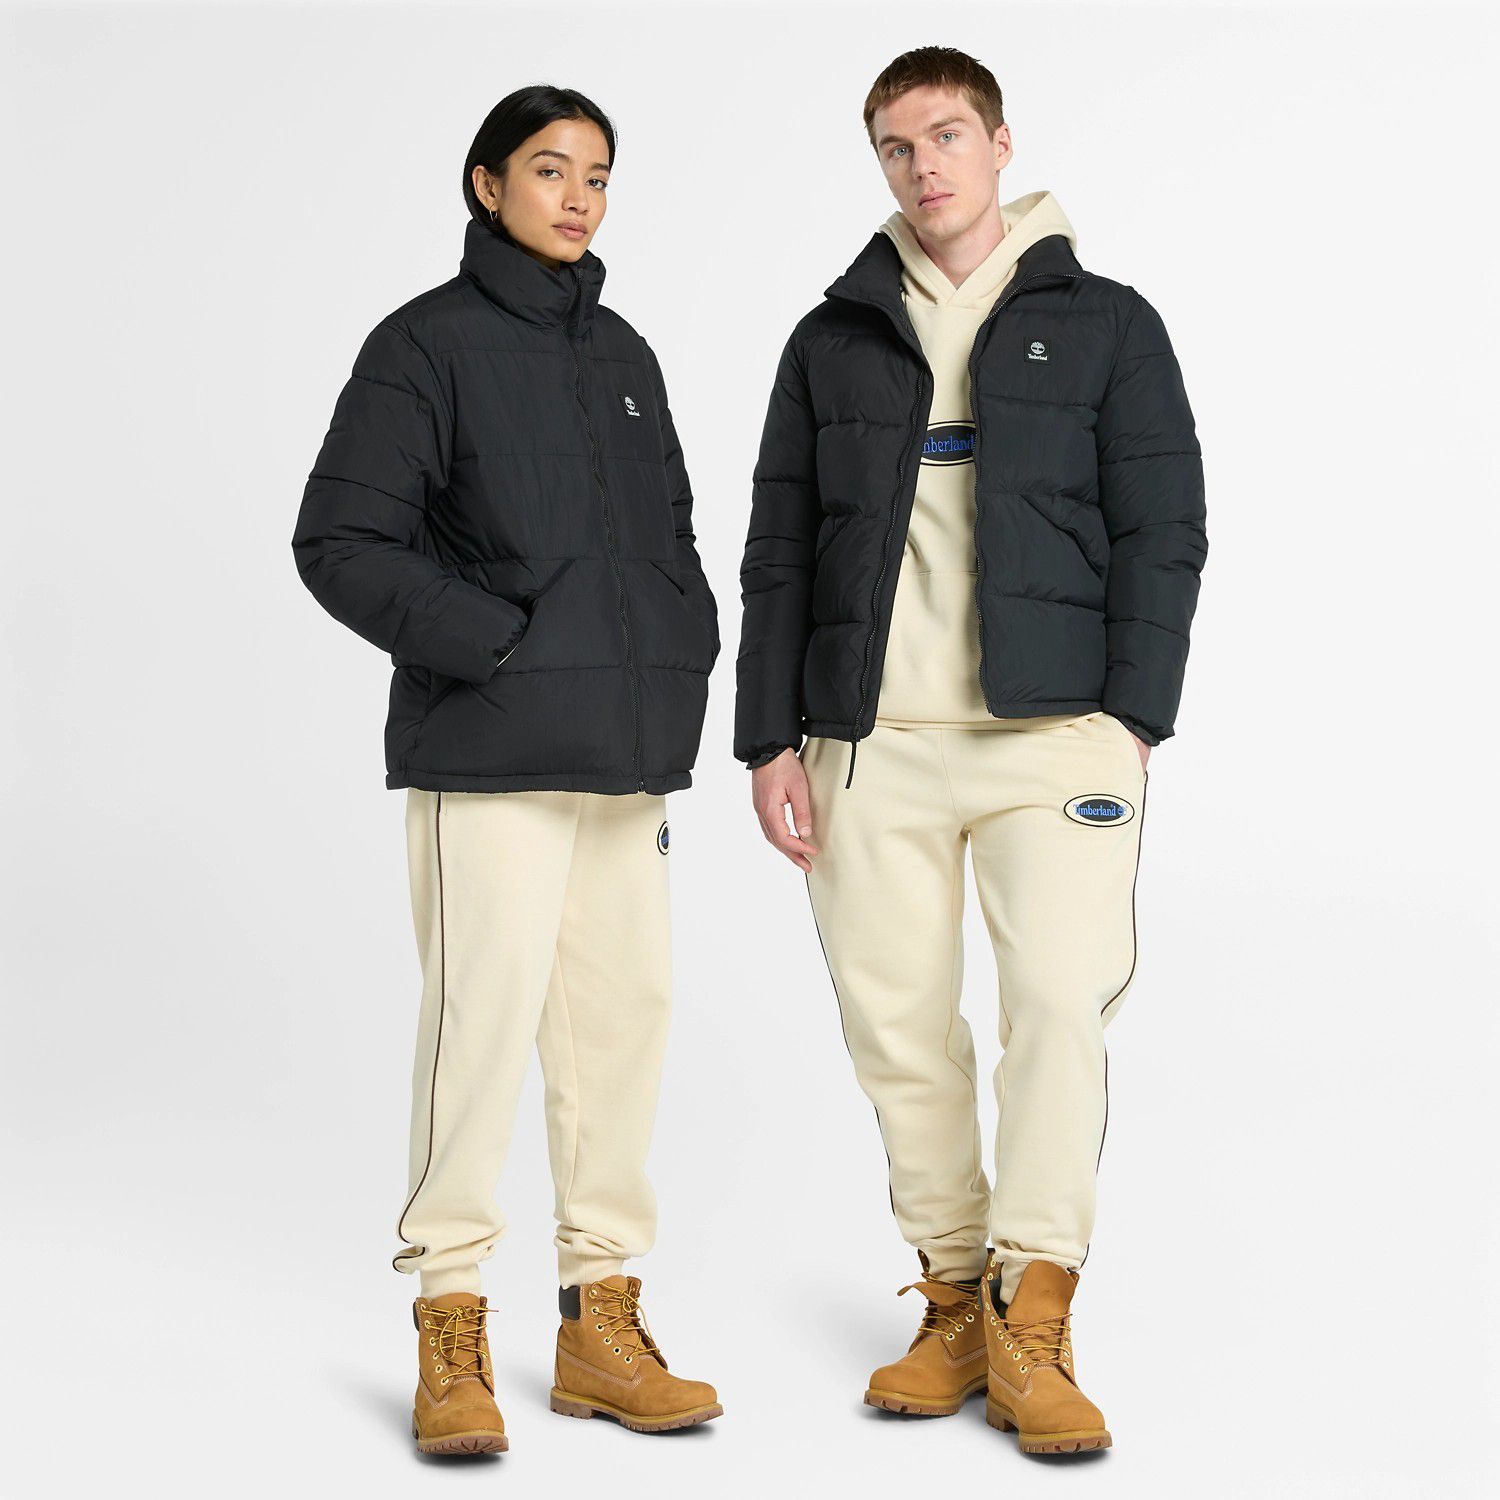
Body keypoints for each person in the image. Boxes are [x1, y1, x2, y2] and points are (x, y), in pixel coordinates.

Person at [735, 46, 1206, 1453]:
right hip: (868, 738)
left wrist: (1132, 716)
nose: (922, 165)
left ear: (1001, 144)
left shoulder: (1107, 323)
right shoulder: (834, 338)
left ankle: (1034, 1307)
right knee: (898, 1030)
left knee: (1057, 1007)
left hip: (1051, 738)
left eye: (946, 135)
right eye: (896, 145)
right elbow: (777, 545)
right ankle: (953, 1296)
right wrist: (770, 737)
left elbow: (1165, 528)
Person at [292, 85, 722, 1454]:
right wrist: (503, 647)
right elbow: (339, 543)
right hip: (489, 756)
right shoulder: (422, 345)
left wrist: (684, 646)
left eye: (598, 175)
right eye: (550, 169)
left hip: (625, 758)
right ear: (487, 184)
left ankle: (602, 1324)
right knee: (477, 1031)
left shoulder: (626, 352)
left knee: (623, 1028)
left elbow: (669, 535)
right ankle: (451, 1322)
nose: (578, 197)